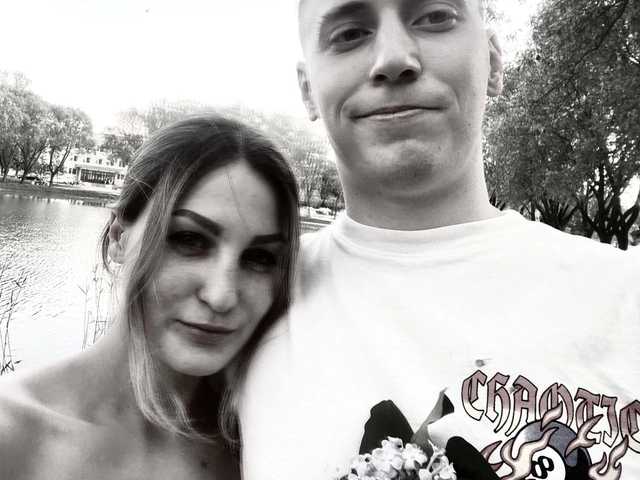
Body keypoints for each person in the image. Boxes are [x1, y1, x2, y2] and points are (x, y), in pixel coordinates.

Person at [239, 1, 640, 479]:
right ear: (308, 90)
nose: (393, 58)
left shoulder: (627, 298)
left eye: (434, 17)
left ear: (493, 61)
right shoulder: (237, 313)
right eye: (349, 34)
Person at [0, 115, 299, 480]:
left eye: (259, 258)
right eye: (189, 239)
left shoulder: (270, 442)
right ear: (118, 238)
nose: (221, 296)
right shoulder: (13, 434)